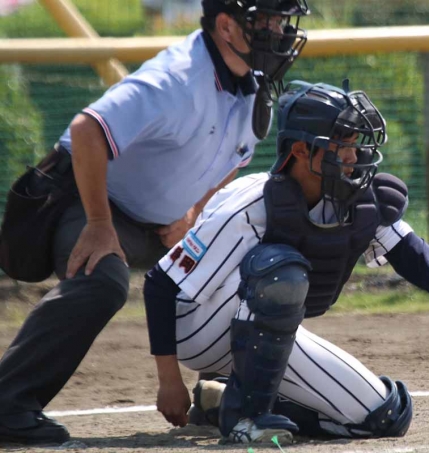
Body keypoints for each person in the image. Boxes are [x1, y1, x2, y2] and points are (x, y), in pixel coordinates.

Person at [0, 0, 310, 445]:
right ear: (226, 26)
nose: (279, 31)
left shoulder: (251, 83)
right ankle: (8, 403)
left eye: (281, 21)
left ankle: (224, 394)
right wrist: (99, 223)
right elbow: (88, 130)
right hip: (89, 199)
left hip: (158, 222)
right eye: (266, 20)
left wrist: (193, 211)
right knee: (102, 280)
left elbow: (233, 159)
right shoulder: (177, 78)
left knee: (246, 269)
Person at [142, 80, 429, 445]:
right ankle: (246, 417)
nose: (352, 157)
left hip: (256, 336)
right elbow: (160, 284)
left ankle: (222, 398)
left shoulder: (354, 197)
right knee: (279, 271)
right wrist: (169, 380)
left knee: (384, 415)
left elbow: (422, 262)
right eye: (341, 146)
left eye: (355, 144)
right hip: (195, 330)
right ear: (301, 151)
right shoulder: (249, 205)